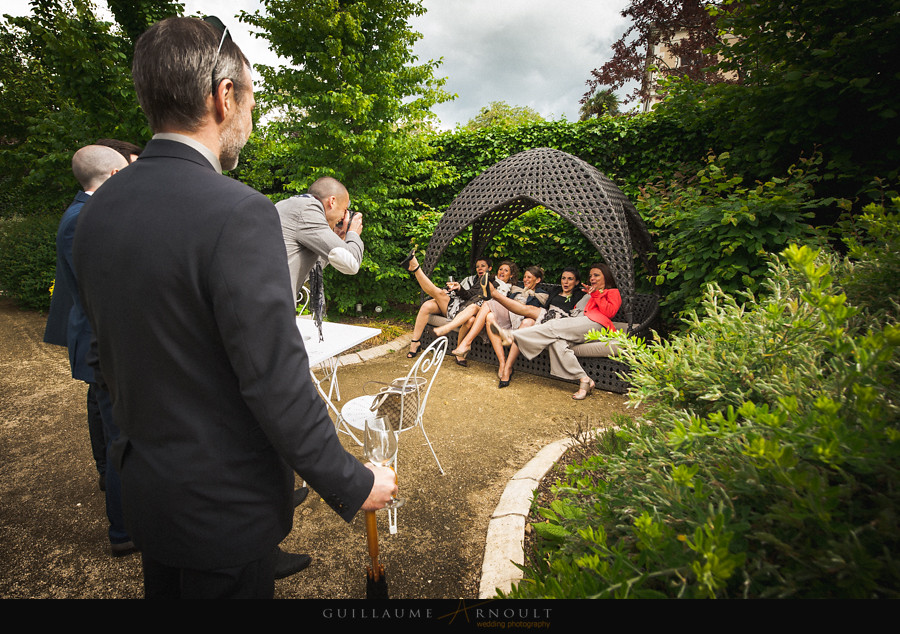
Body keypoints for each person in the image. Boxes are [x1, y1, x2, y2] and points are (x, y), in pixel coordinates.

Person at [72, 16, 395, 599]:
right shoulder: (238, 212)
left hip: (150, 491)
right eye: (251, 97)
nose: (250, 114)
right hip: (222, 509)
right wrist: (352, 479)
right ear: (224, 97)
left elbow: (111, 353)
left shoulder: (99, 209)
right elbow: (274, 378)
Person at [43, 144, 134, 557]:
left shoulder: (85, 213)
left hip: (100, 339)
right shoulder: (83, 220)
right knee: (123, 437)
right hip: (102, 342)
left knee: (110, 424)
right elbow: (103, 291)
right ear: (116, 177)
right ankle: (124, 532)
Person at [493, 264, 622, 399]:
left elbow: (609, 312)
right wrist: (591, 294)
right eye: (590, 276)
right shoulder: (588, 293)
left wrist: (595, 294)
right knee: (556, 342)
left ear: (606, 277)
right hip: (580, 324)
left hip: (597, 325)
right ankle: (584, 379)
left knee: (554, 324)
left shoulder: (613, 292)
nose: (592, 278)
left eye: (596, 275)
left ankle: (512, 335)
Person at [449, 265, 548, 385]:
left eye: (529, 277)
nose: (526, 279)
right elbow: (506, 304)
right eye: (525, 277)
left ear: (537, 280)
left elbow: (537, 314)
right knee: (489, 310)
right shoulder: (517, 289)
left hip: (524, 321)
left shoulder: (542, 295)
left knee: (489, 307)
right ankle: (501, 362)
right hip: (510, 317)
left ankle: (467, 343)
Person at [276, 177, 363, 304]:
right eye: (344, 210)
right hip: (267, 307)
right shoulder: (308, 209)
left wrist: (337, 238)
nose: (343, 217)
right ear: (332, 201)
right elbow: (351, 264)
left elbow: (313, 265)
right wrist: (353, 233)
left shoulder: (288, 205)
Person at [401, 253, 497, 363]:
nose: (479, 268)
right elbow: (467, 294)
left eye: (483, 266)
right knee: (427, 305)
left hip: (461, 308)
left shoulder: (490, 282)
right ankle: (415, 342)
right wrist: (453, 288)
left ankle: (416, 268)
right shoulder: (473, 280)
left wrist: (459, 289)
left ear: (490, 268)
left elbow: (471, 296)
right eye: (477, 266)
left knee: (439, 294)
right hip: (458, 304)